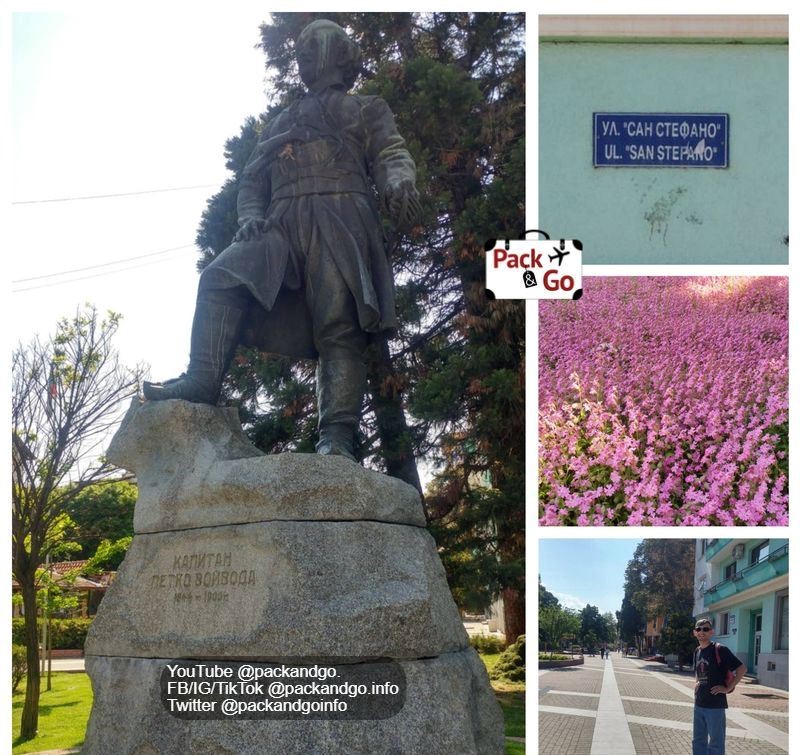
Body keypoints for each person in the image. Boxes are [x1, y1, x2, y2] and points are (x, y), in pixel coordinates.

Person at [143, 19, 420, 461]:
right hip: (280, 223)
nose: (303, 54)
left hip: (340, 215)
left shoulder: (366, 109)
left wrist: (399, 182)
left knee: (339, 326)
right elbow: (252, 178)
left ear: (339, 54)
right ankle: (202, 378)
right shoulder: (283, 119)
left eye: (314, 45)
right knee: (219, 277)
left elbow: (391, 152)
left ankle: (336, 436)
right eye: (301, 48)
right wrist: (250, 216)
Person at [692, 617, 745, 755]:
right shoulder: (697, 651)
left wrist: (727, 688)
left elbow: (742, 669)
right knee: (698, 741)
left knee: (716, 743)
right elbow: (698, 671)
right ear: (694, 633)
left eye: (706, 629)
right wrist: (697, 682)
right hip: (699, 704)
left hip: (715, 705)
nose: (701, 631)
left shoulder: (720, 649)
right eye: (699, 629)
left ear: (711, 632)